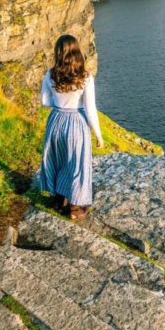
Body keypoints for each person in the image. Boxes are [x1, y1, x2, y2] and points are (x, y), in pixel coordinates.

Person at [39, 35, 103, 220]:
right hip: (77, 122)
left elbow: (44, 101)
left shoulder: (51, 74)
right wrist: (98, 135)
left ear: (58, 53)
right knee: (76, 164)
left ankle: (58, 200)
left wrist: (58, 101)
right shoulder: (85, 77)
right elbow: (91, 109)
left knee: (57, 160)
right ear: (77, 52)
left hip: (56, 120)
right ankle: (75, 209)